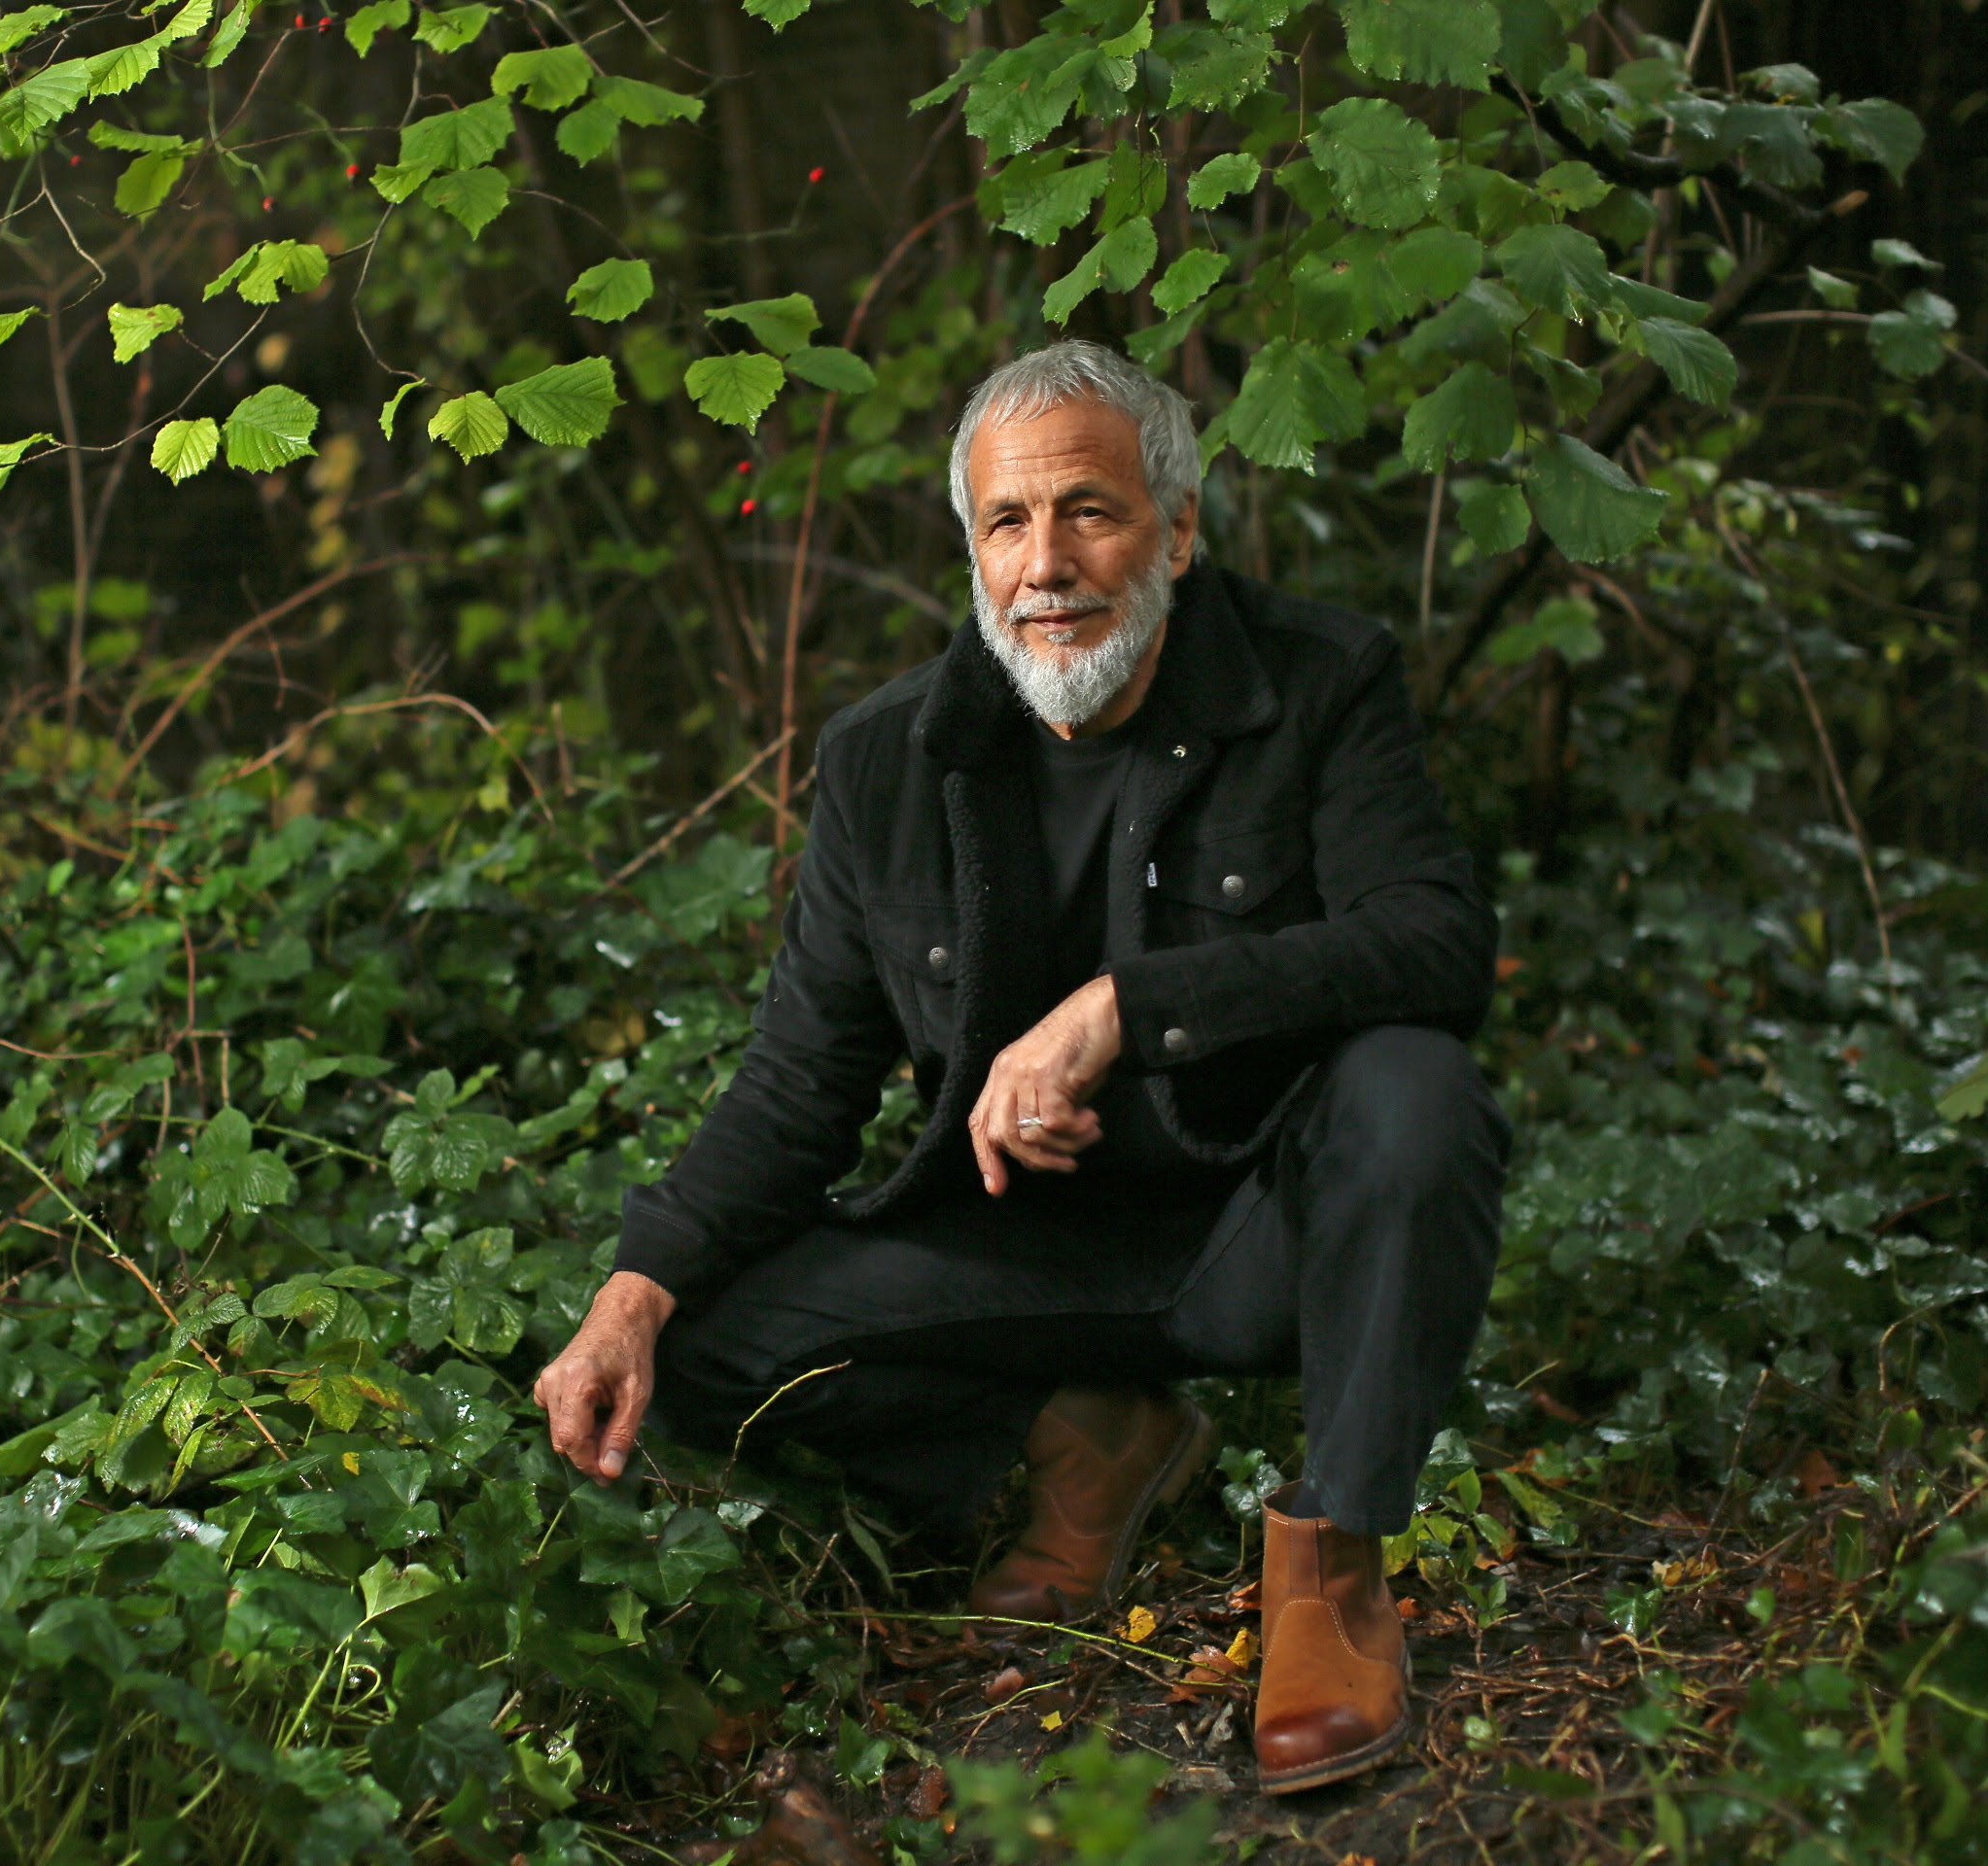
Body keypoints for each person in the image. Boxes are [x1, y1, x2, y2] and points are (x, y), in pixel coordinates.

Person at [533, 339, 1509, 1794]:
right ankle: (1081, 1442)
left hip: (1259, 1238)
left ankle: (1334, 1568)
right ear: (973, 549)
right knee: (703, 1344)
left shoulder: (1319, 682)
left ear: (1178, 530)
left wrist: (1128, 1005)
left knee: (1418, 1092)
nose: (1046, 563)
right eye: (1007, 522)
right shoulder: (886, 762)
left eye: (1091, 512)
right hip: (1020, 1258)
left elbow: (1433, 943)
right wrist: (629, 1294)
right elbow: (801, 1080)